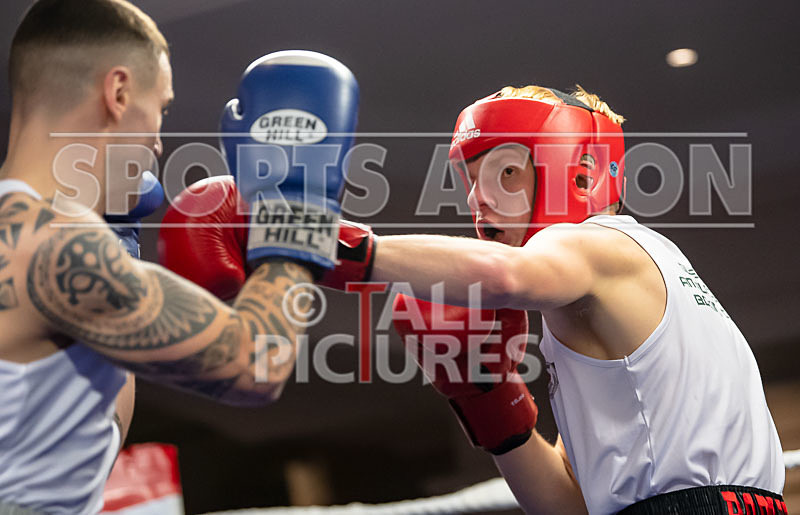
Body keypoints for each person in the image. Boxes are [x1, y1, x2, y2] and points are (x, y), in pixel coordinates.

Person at [172, 84, 786, 514]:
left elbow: (510, 277)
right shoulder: (602, 317)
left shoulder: (606, 242)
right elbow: (569, 506)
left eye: (509, 172)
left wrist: (317, 241)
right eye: (474, 179)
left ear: (580, 173)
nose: (481, 200)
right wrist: (490, 402)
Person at [0, 0, 357, 513]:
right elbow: (255, 364)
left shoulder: (33, 233)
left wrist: (116, 235)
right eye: (160, 108)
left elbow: (86, 442)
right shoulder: (55, 245)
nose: (159, 143)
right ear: (118, 92)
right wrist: (296, 209)